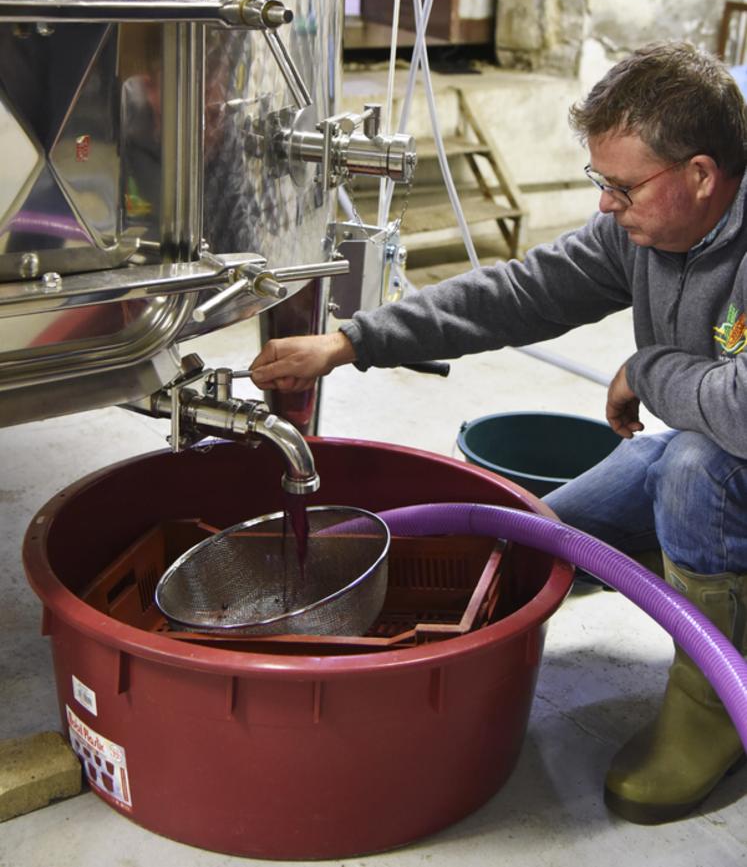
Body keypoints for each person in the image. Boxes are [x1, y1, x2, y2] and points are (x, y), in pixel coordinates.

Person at [250, 40, 747, 825]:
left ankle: (714, 701)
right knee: (533, 542)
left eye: (620, 186)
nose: (604, 206)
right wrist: (351, 342)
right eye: (599, 182)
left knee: (691, 464)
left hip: (719, 455)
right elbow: (519, 291)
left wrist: (647, 370)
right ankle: (696, 559)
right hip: (705, 450)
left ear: (699, 174)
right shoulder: (640, 227)